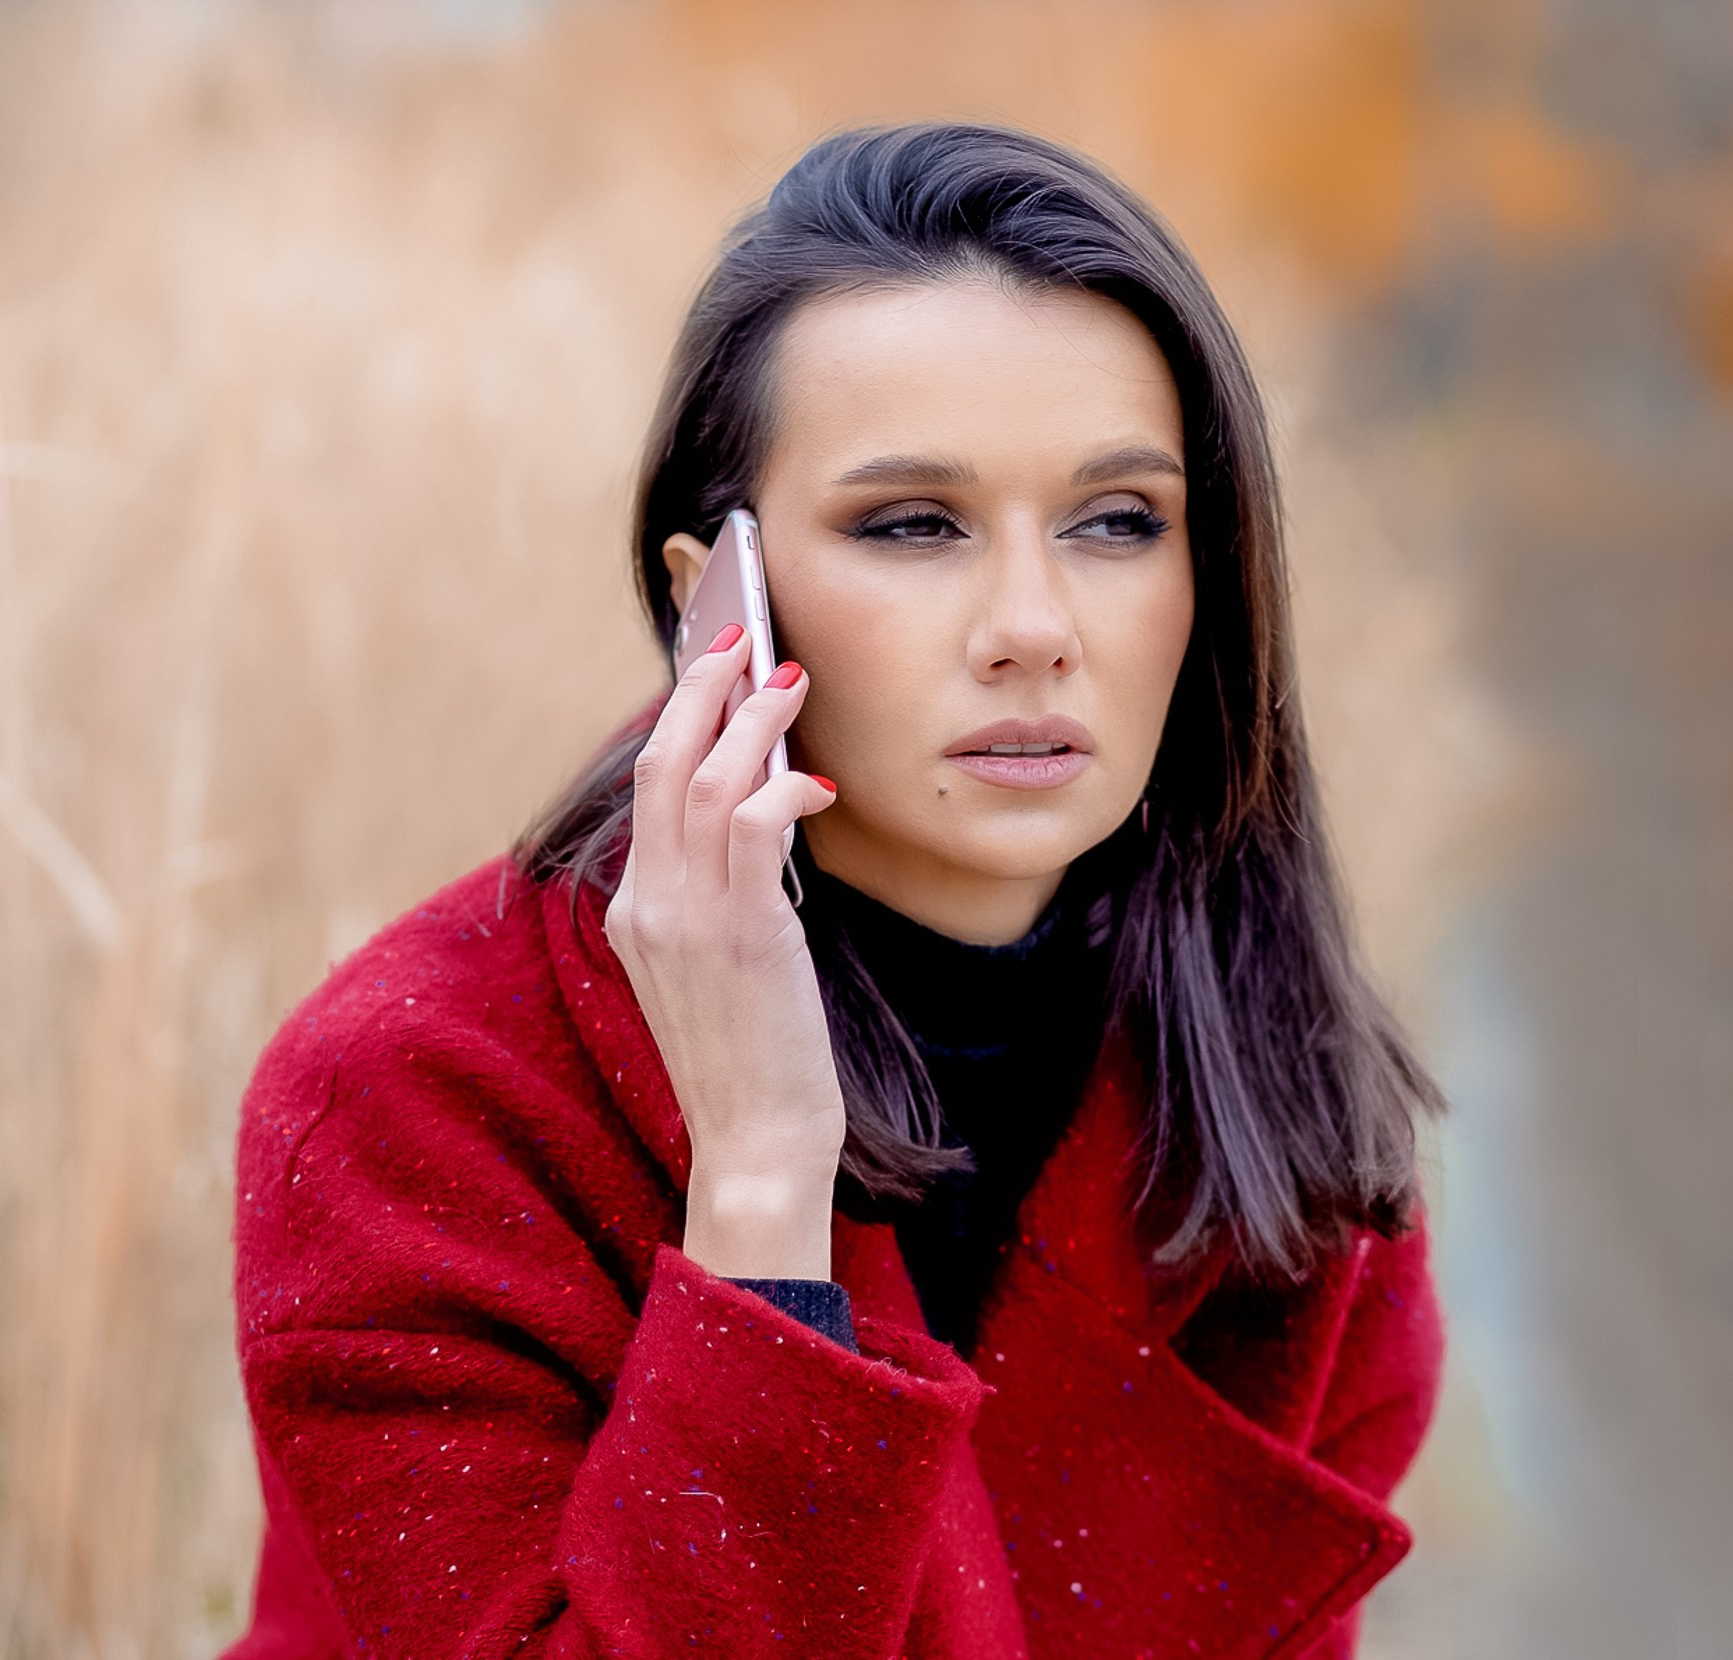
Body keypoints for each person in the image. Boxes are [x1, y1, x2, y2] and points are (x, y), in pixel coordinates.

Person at [220, 123, 1445, 1660]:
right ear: (712, 603)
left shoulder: (1278, 1123)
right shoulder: (414, 1104)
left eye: (1117, 520)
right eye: (912, 524)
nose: (1031, 624)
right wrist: (757, 1193)